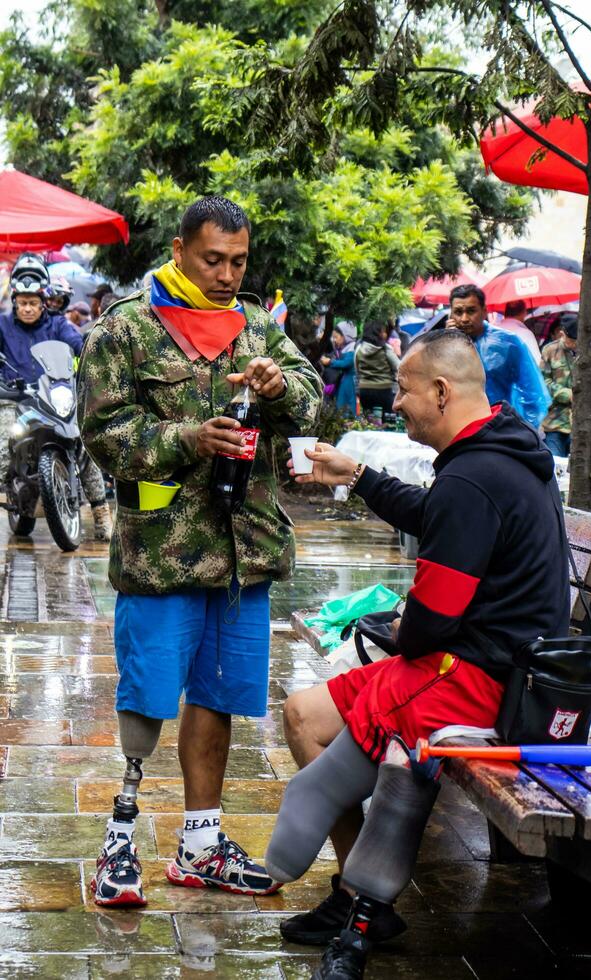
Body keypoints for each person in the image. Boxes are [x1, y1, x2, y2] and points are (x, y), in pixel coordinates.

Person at [264, 328, 569, 978]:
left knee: (401, 751)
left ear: (441, 391)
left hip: (482, 680)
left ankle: (359, 914)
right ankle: (354, 896)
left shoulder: (476, 477)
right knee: (306, 714)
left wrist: (397, 621)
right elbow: (437, 519)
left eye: (403, 390)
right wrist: (361, 476)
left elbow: (430, 624)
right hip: (486, 663)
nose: (394, 402)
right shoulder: (493, 454)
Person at [77, 194, 322, 908]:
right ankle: (119, 838)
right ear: (180, 250)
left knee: (217, 696)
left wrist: (280, 386)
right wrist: (188, 437)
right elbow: (102, 432)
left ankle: (200, 844)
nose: (225, 273)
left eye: (238, 261)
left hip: (244, 553)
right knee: (148, 695)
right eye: (212, 258)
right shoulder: (125, 328)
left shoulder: (256, 325)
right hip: (163, 553)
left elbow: (309, 400)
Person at [0, 267, 112, 541]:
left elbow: (78, 344)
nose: (27, 308)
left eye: (33, 303)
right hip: (14, 399)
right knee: (3, 445)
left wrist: (93, 350)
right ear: (15, 301)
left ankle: (101, 512)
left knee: (83, 442)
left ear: (43, 301)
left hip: (53, 396)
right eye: (23, 303)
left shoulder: (58, 324)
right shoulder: (2, 324)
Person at [447, 284, 550, 429]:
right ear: (451, 315)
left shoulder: (508, 343)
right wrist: (448, 341)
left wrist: (525, 430)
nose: (464, 318)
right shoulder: (444, 343)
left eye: (471, 311)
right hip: (457, 428)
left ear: (484, 311)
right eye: (458, 312)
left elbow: (533, 393)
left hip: (499, 428)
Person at [540, 312, 577, 458]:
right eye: (571, 340)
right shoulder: (550, 351)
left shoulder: (587, 352)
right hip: (555, 422)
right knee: (556, 466)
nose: (574, 344)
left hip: (579, 423)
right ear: (562, 334)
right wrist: (567, 394)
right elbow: (544, 382)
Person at [354, 320, 399, 415]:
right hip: (384, 389)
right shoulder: (386, 348)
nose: (385, 334)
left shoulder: (359, 348)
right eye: (383, 331)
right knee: (387, 419)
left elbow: (356, 369)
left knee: (369, 418)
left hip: (365, 390)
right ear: (376, 333)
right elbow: (398, 366)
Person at [321, 321, 357, 416]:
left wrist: (330, 362)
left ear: (345, 336)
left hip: (349, 382)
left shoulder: (351, 349)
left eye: (336, 337)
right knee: (340, 403)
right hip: (343, 380)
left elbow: (346, 363)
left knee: (346, 403)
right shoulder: (344, 348)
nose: (334, 340)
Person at [498, 299, 541, 364]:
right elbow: (537, 362)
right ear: (524, 313)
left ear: (505, 313)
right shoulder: (525, 334)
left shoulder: (492, 330)